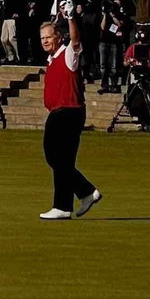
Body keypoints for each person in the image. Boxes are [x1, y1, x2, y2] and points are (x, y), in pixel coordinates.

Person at [38, 16, 101, 221]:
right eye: (42, 38)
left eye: (48, 37)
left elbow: (75, 41)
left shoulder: (67, 54)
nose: (45, 41)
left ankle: (70, 201)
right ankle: (78, 197)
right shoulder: (52, 60)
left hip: (68, 112)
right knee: (58, 159)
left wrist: (71, 18)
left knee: (57, 158)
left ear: (58, 37)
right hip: (60, 112)